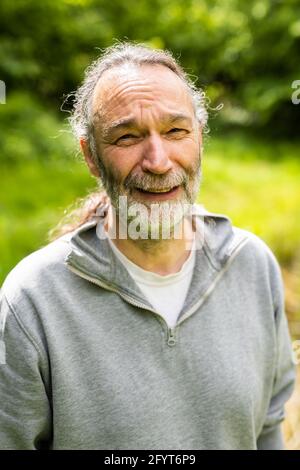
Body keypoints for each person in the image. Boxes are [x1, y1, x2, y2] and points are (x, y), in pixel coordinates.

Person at [0, 42, 296, 450]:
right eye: (127, 136)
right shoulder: (33, 301)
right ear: (91, 156)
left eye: (176, 131)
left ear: (200, 140)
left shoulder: (251, 266)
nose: (158, 160)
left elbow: (268, 429)